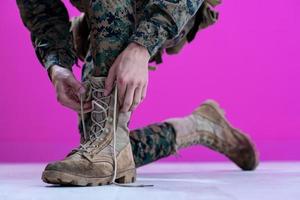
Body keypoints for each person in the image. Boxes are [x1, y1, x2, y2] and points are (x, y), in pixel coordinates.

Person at [17, 0, 259, 186]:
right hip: (104, 14)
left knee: (105, 149)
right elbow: (41, 9)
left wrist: (142, 46)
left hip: (171, 7)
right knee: (103, 148)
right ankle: (199, 126)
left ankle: (107, 146)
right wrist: (57, 65)